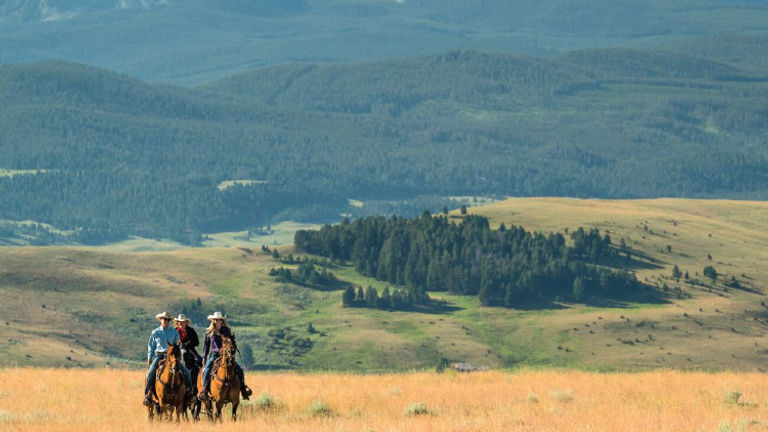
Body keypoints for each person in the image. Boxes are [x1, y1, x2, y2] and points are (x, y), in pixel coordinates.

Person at [143, 311, 195, 406]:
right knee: (150, 373)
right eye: (164, 319)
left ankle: (189, 393)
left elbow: (178, 346)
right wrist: (149, 358)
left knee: (186, 372)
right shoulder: (155, 332)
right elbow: (151, 346)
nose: (166, 321)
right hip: (159, 355)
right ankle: (148, 395)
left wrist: (177, 356)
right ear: (160, 320)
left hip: (171, 356)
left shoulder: (174, 332)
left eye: (167, 320)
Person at [197, 311, 252, 401]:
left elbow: (230, 343)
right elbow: (206, 346)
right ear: (213, 320)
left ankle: (243, 390)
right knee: (207, 369)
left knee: (239, 370)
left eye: (220, 320)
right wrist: (204, 358)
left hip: (226, 355)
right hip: (215, 355)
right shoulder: (209, 332)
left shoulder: (227, 330)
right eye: (216, 320)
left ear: (222, 321)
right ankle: (204, 390)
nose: (218, 321)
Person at [174, 313, 202, 394]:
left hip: (190, 350)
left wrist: (188, 344)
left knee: (201, 362)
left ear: (186, 322)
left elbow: (197, 342)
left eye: (182, 321)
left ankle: (203, 387)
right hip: (176, 351)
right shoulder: (174, 331)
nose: (180, 323)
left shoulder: (191, 331)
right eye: (179, 322)